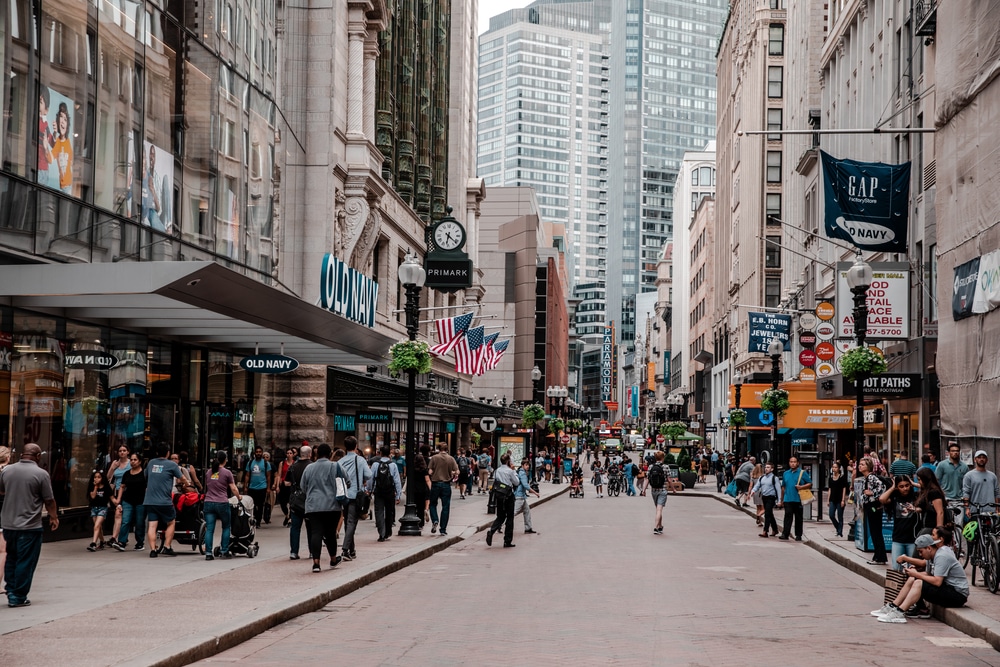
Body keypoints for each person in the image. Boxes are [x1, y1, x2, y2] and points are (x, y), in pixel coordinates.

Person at [0, 443, 59, 607]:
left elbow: (2, 490)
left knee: (12, 557)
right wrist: (53, 517)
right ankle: (18, 595)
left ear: (22, 454)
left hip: (9, 524)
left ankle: (11, 590)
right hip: (29, 525)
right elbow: (49, 499)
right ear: (38, 456)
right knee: (26, 560)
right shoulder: (41, 474)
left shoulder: (7, 471)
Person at [873, 530, 969, 623]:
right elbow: (928, 574)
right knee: (913, 578)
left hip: (958, 595)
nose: (920, 555)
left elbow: (937, 581)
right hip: (947, 588)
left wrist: (917, 574)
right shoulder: (932, 555)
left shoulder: (942, 556)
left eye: (921, 551)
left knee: (919, 581)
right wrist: (915, 572)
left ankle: (900, 612)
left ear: (929, 548)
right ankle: (894, 606)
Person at [299, 443, 349, 572]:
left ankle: (316, 563)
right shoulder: (335, 466)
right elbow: (347, 481)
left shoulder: (309, 468)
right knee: (330, 533)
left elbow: (303, 486)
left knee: (316, 532)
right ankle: (333, 559)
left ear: (316, 453)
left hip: (313, 505)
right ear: (330, 453)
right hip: (332, 505)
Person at [143, 442, 185, 558]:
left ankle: (152, 550)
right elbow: (181, 478)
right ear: (168, 453)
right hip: (165, 501)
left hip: (150, 500)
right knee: (171, 522)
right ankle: (167, 546)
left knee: (152, 525)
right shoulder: (172, 465)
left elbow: (145, 475)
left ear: (157, 452)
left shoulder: (151, 463)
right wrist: (187, 483)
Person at [338, 436, 371, 561]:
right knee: (351, 523)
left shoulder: (340, 462)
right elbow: (368, 475)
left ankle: (352, 550)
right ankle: (345, 550)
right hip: (355, 495)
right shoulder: (360, 460)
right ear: (356, 446)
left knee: (347, 521)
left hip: (343, 495)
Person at [203, 451, 241, 560]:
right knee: (226, 527)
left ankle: (208, 553)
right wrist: (239, 497)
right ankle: (224, 550)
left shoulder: (208, 472)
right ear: (225, 460)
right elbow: (233, 488)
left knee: (210, 529)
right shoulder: (227, 473)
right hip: (222, 503)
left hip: (208, 502)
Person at [880, 475, 920, 571]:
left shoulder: (916, 497)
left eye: (907, 485)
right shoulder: (894, 498)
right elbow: (882, 499)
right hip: (898, 538)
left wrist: (914, 484)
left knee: (913, 568)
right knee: (896, 568)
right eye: (901, 486)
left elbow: (930, 489)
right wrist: (893, 487)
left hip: (913, 539)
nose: (905, 489)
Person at [111, 452, 146, 551]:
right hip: (128, 500)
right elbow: (122, 487)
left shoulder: (144, 473)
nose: (133, 462)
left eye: (135, 460)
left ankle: (139, 542)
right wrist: (119, 499)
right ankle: (122, 542)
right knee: (125, 520)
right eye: (131, 460)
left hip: (141, 501)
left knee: (139, 522)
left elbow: (147, 488)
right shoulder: (127, 473)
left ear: (140, 461)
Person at [858, 457, 888, 565]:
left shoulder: (871, 477)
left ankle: (880, 557)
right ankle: (878, 556)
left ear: (868, 466)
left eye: (863, 464)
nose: (860, 466)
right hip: (869, 507)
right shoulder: (866, 478)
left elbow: (882, 486)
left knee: (876, 532)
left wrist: (872, 493)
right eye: (860, 464)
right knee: (875, 532)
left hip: (873, 507)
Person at [368, 444, 401, 542]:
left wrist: (369, 490)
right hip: (390, 492)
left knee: (379, 512)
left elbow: (371, 479)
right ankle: (388, 531)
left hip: (378, 492)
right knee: (389, 511)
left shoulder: (375, 465)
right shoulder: (393, 465)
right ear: (389, 454)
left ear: (381, 453)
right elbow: (397, 481)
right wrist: (398, 494)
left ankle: (381, 533)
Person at [486, 454, 519, 548]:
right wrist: (514, 471)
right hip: (508, 495)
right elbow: (516, 482)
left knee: (500, 516)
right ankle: (507, 540)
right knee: (509, 517)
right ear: (508, 461)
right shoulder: (510, 471)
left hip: (499, 495)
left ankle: (492, 530)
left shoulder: (497, 470)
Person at [286, 445, 312, 560]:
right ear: (309, 454)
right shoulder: (312, 466)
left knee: (295, 527)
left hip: (295, 500)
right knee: (311, 527)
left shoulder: (293, 467)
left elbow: (286, 482)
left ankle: (294, 552)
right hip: (309, 500)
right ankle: (312, 551)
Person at [427, 442, 459, 536]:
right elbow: (457, 472)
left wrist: (434, 473)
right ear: (447, 449)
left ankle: (435, 520)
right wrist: (451, 473)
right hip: (446, 484)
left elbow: (430, 471)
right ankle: (443, 529)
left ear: (438, 449)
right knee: (446, 506)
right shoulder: (451, 458)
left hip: (436, 483)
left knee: (432, 504)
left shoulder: (434, 458)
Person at [778, 456, 811, 542]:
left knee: (798, 518)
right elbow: (783, 487)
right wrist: (781, 500)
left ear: (798, 463)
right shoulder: (786, 473)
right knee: (787, 516)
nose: (792, 463)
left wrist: (801, 487)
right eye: (791, 462)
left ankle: (798, 535)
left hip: (798, 499)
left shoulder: (802, 473)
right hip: (788, 498)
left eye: (794, 462)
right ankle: (785, 533)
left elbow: (810, 483)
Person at [936, 442, 968, 523]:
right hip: (946, 498)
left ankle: (958, 536)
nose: (955, 453)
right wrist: (941, 493)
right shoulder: (942, 465)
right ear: (949, 452)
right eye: (953, 451)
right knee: (947, 523)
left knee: (959, 523)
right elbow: (936, 480)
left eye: (957, 451)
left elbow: (967, 484)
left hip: (959, 500)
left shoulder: (964, 466)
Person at [642, 451, 673, 535]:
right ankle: (656, 527)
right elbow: (669, 479)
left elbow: (647, 479)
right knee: (659, 509)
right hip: (662, 490)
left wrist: (643, 490)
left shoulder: (651, 466)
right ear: (663, 458)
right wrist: (673, 489)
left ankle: (660, 526)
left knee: (658, 509)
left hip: (654, 490)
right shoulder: (666, 467)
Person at [963, 450, 1000, 517]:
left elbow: (996, 492)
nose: (981, 459)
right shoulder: (969, 475)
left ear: (987, 460)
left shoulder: (992, 476)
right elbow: (966, 493)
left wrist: (997, 508)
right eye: (979, 457)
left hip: (991, 510)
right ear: (975, 459)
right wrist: (967, 508)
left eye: (983, 457)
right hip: (975, 509)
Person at [242, 446, 272, 528]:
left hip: (262, 487)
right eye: (257, 452)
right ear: (255, 453)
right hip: (252, 487)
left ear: (262, 453)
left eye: (260, 452)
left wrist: (268, 488)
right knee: (252, 505)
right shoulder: (250, 463)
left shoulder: (266, 463)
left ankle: (258, 521)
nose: (258, 453)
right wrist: (245, 486)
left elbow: (268, 476)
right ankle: (253, 519)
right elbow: (247, 475)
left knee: (261, 505)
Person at [106, 445, 131, 543]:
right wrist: (112, 468)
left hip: (128, 492)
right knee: (118, 514)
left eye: (124, 450)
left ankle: (115, 537)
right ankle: (115, 537)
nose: (122, 452)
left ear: (128, 452)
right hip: (117, 492)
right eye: (120, 451)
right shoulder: (115, 463)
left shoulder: (131, 463)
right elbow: (108, 477)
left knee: (121, 515)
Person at [751, 462, 781, 538]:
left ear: (772, 469)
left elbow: (778, 490)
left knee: (767, 514)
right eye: (766, 467)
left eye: (768, 467)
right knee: (770, 514)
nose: (766, 469)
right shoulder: (762, 478)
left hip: (771, 497)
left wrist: (779, 500)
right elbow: (757, 485)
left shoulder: (775, 478)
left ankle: (765, 531)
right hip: (764, 497)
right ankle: (775, 529)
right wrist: (753, 491)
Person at [86, 470, 112, 551]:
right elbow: (93, 496)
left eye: (99, 477)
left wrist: (117, 504)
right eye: (95, 477)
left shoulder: (106, 487)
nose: (96, 479)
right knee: (98, 527)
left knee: (96, 525)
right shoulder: (92, 486)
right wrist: (95, 487)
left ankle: (93, 543)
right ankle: (102, 541)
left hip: (103, 508)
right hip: (94, 508)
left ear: (102, 478)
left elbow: (111, 497)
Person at [915, 466, 947, 531]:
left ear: (925, 479)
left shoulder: (934, 492)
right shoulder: (926, 491)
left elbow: (940, 512)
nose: (918, 482)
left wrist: (938, 529)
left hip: (932, 526)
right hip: (926, 525)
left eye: (919, 479)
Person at [51, 102, 73, 194]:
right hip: (58, 185)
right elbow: (50, 157)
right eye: (61, 117)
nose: (63, 121)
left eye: (65, 119)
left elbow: (72, 161)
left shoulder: (68, 142)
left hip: (68, 185)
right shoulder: (57, 140)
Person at [514, 458, 540, 534]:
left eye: (528, 465)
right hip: (519, 496)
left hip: (522, 496)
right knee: (513, 512)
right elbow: (526, 486)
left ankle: (528, 528)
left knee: (527, 510)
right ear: (522, 465)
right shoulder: (522, 473)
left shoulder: (521, 472)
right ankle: (500, 524)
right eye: (526, 465)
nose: (528, 466)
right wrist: (535, 493)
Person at [275, 446, 297, 526]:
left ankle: (290, 519)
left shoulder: (295, 463)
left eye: (290, 453)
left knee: (291, 503)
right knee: (282, 502)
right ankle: (287, 516)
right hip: (283, 484)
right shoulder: (282, 463)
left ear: (293, 454)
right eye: (287, 453)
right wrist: (277, 486)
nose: (289, 455)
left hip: (291, 485)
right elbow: (279, 474)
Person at [827, 461, 849, 538]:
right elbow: (829, 489)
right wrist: (828, 500)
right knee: (831, 515)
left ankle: (840, 532)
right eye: (833, 467)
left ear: (839, 468)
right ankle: (838, 528)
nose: (834, 469)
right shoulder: (830, 478)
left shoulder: (842, 478)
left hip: (840, 499)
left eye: (836, 467)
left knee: (840, 516)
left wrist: (843, 500)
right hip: (832, 499)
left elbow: (844, 489)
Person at [749, 462, 764, 527]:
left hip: (755, 492)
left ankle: (759, 520)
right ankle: (759, 516)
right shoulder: (763, 476)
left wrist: (749, 493)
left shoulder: (753, 476)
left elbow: (750, 485)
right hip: (762, 492)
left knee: (758, 507)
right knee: (763, 507)